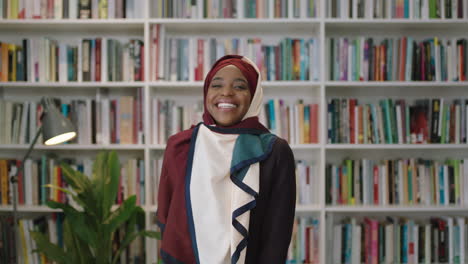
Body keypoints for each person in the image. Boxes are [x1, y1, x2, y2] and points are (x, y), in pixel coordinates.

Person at [156, 54, 296, 264]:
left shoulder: (274, 151)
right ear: (206, 92)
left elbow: (276, 237)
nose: (226, 93)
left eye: (239, 87)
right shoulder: (180, 146)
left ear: (254, 96)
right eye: (216, 85)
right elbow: (168, 221)